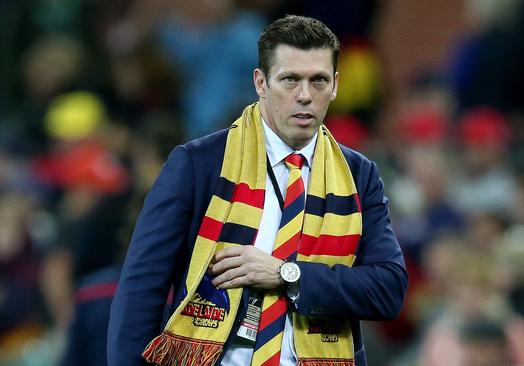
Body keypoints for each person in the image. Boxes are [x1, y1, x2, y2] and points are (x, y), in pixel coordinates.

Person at [107, 15, 408, 366]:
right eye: (290, 80)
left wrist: (285, 274)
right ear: (261, 82)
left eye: (319, 81)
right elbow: (141, 290)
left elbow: (388, 290)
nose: (305, 96)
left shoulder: (359, 175)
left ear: (336, 85)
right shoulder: (199, 164)